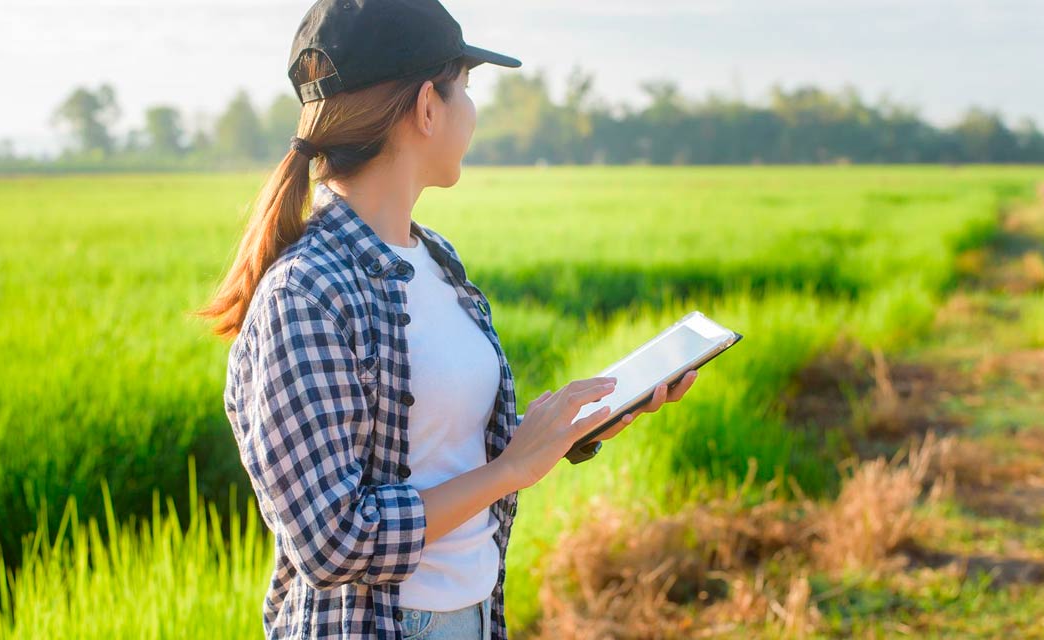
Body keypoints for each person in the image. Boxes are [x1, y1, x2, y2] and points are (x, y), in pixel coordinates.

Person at [196, 1, 699, 638]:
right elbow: (331, 541)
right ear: (427, 108)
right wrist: (510, 471)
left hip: (475, 615)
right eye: (465, 87)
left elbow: (431, 452)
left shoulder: (433, 257)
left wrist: (571, 428)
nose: (472, 110)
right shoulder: (305, 295)